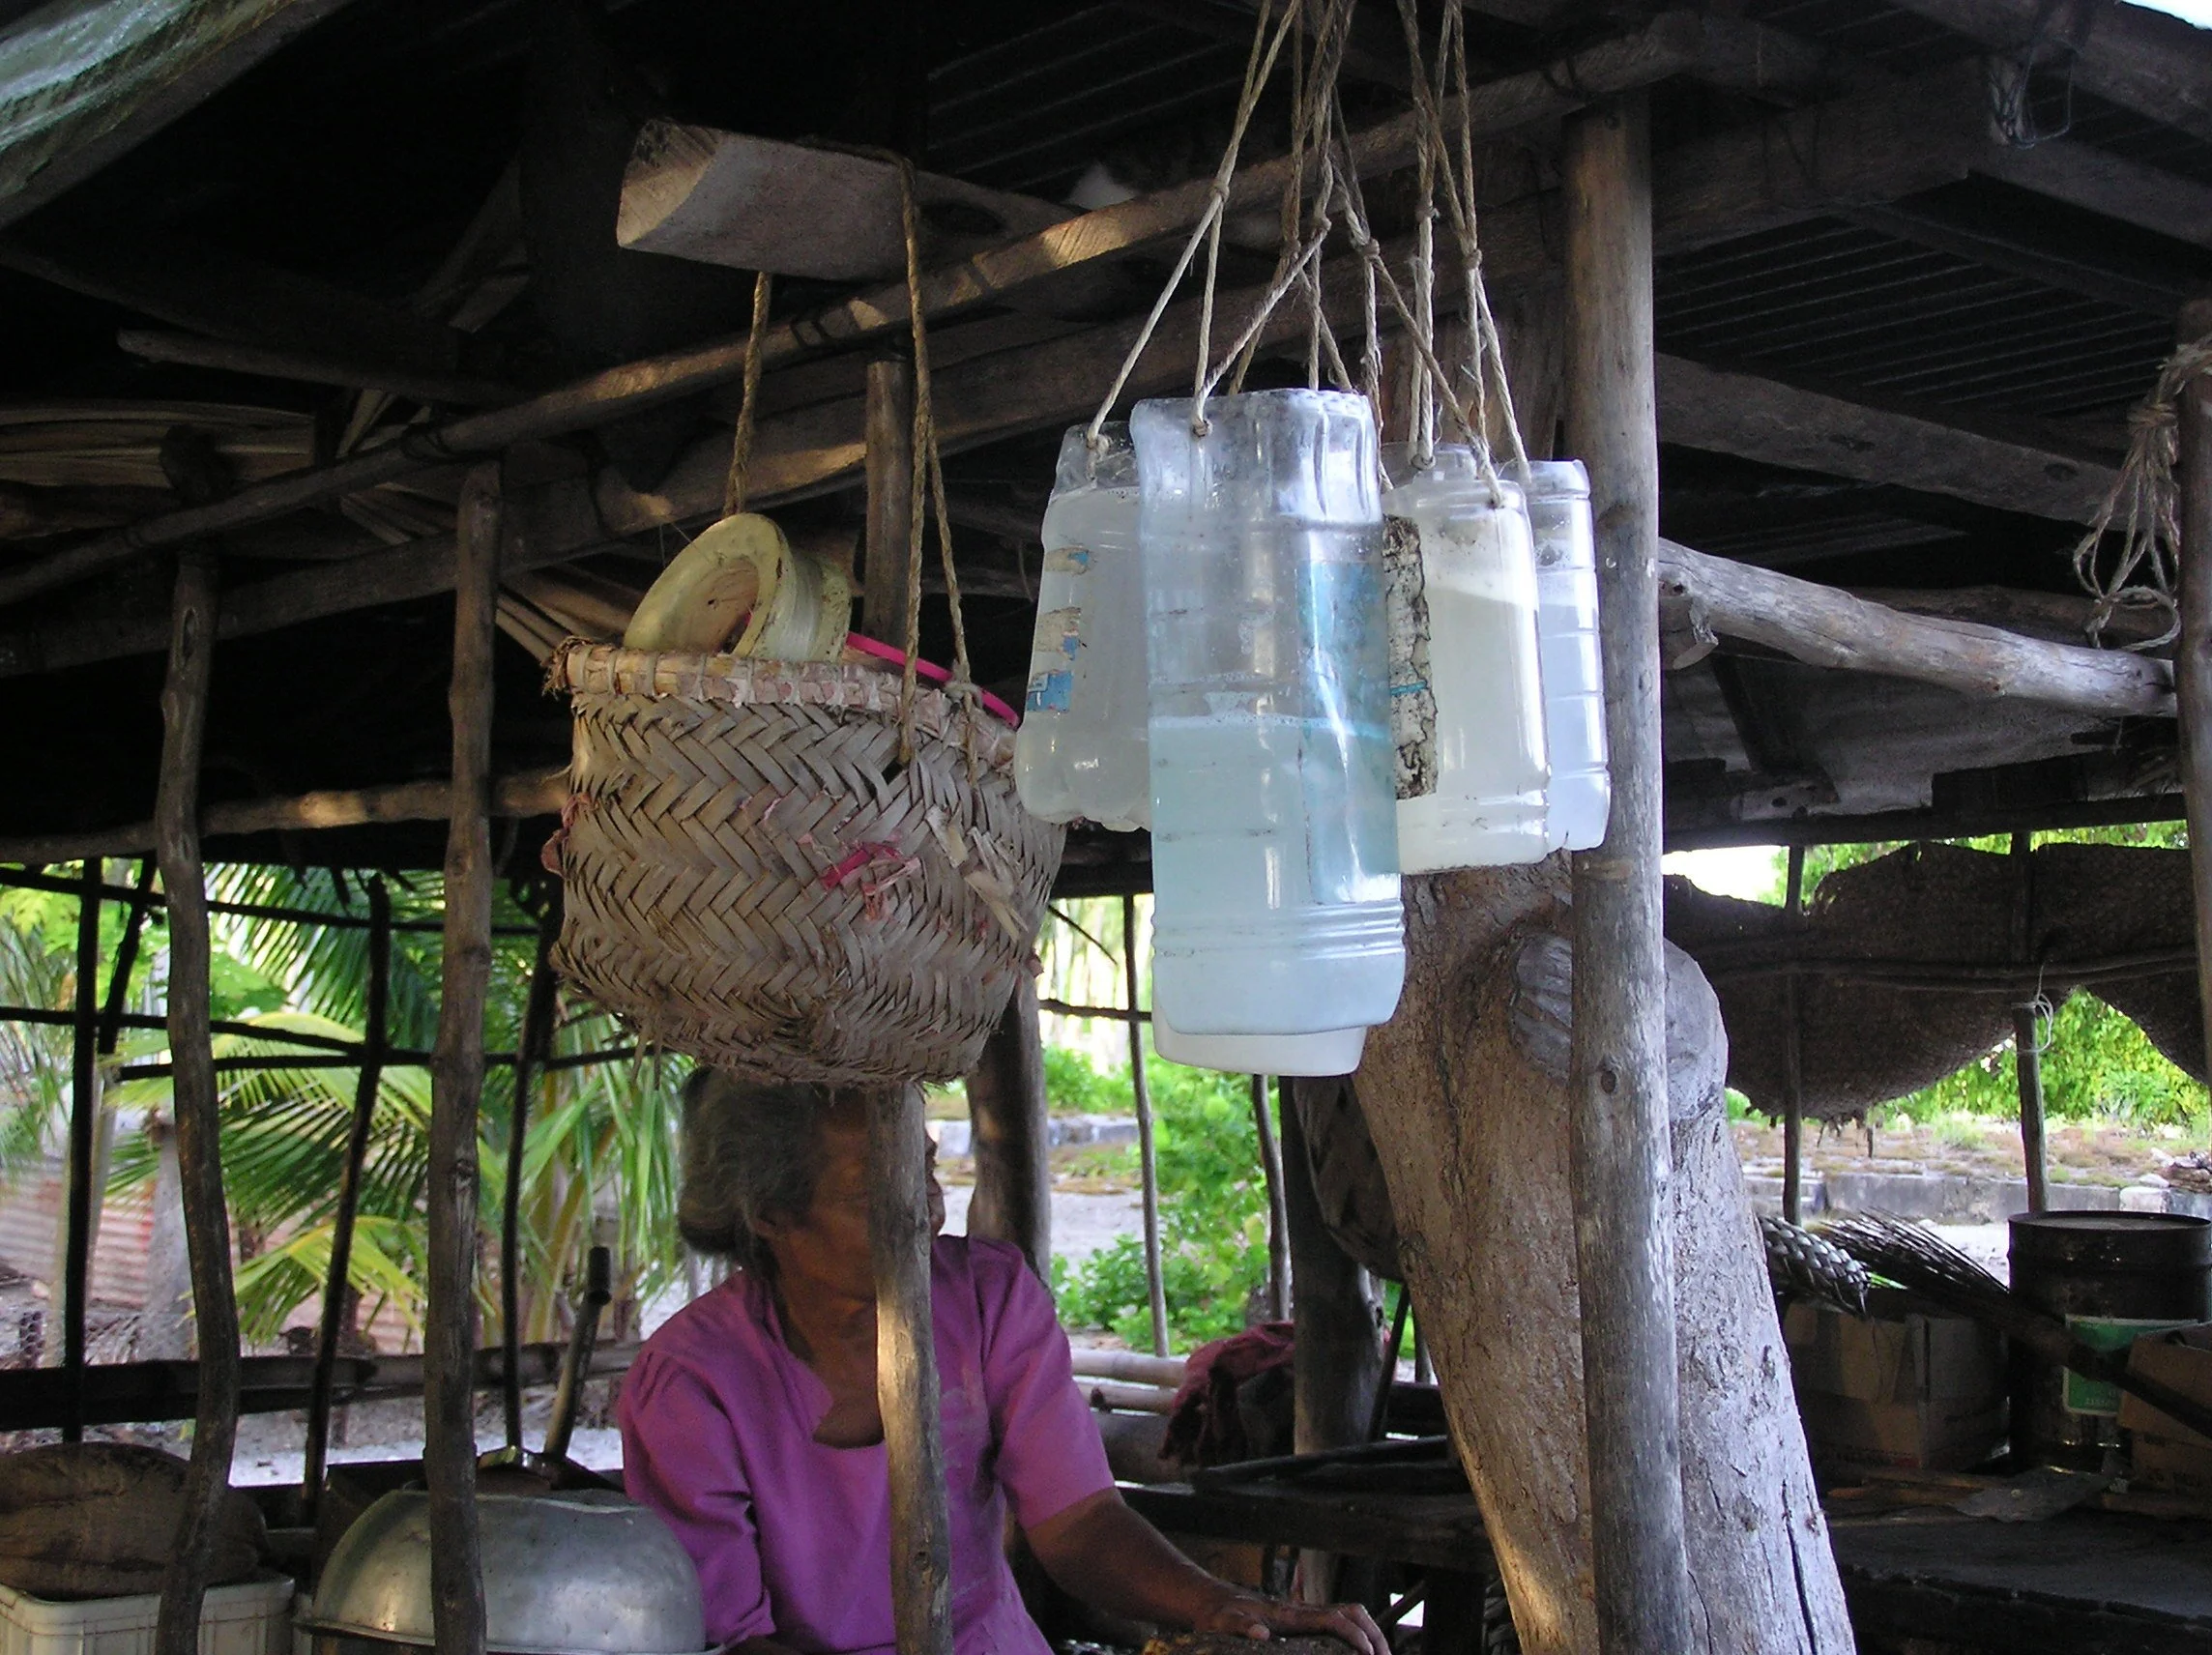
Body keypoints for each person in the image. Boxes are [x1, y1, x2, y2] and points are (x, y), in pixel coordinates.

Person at [619, 1071, 1389, 1655]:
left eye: (922, 1169)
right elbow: (733, 1639)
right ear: (772, 1216)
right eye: (871, 1193)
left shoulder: (988, 1300)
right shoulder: (693, 1385)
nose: (923, 1209)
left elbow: (1079, 1519)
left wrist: (1208, 1602)